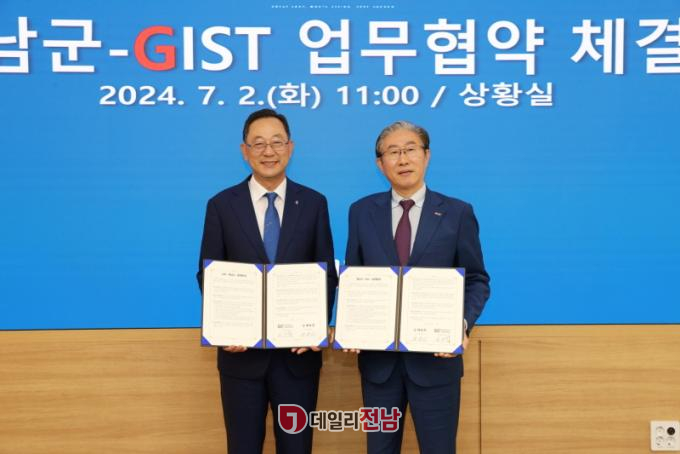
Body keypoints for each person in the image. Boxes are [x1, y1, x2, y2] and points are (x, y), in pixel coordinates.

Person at [344, 120, 490, 453]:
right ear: (380, 163)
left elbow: (477, 280)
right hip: (379, 366)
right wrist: (352, 324)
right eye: (393, 152)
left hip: (436, 363)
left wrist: (460, 324)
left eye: (410, 149)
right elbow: (354, 277)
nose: (403, 159)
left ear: (426, 156)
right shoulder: (361, 212)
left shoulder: (457, 213)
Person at [197, 109, 338, 454]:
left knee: (297, 446)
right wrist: (225, 326)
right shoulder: (221, 205)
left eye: (277, 142)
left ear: (290, 147)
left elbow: (326, 274)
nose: (268, 151)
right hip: (241, 357)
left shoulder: (314, 203)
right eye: (258, 143)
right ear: (244, 151)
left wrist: (315, 326)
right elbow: (208, 274)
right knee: (243, 446)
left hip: (297, 357)